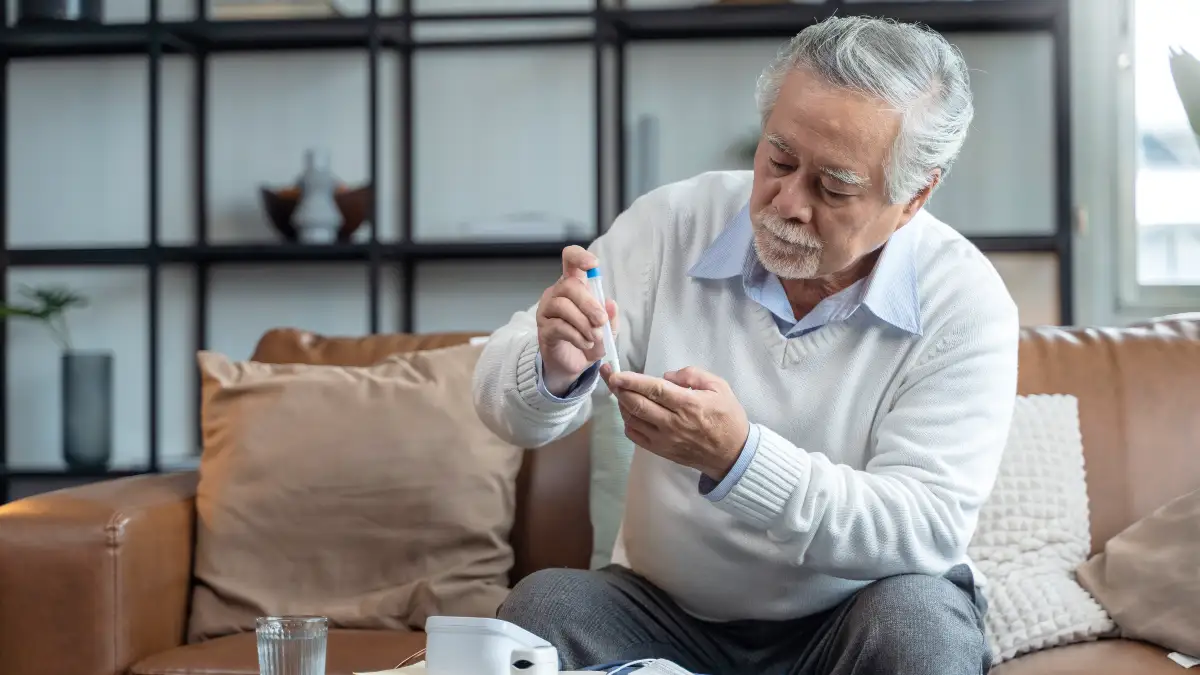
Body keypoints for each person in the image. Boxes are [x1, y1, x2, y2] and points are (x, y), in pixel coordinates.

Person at [471, 14, 1018, 675]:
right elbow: (506, 411)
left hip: (855, 616)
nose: (786, 202)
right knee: (542, 610)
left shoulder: (965, 302)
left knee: (919, 630)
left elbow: (923, 529)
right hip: (663, 614)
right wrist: (552, 367)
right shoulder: (673, 223)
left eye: (833, 185)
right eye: (779, 158)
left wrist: (739, 459)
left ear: (913, 197)